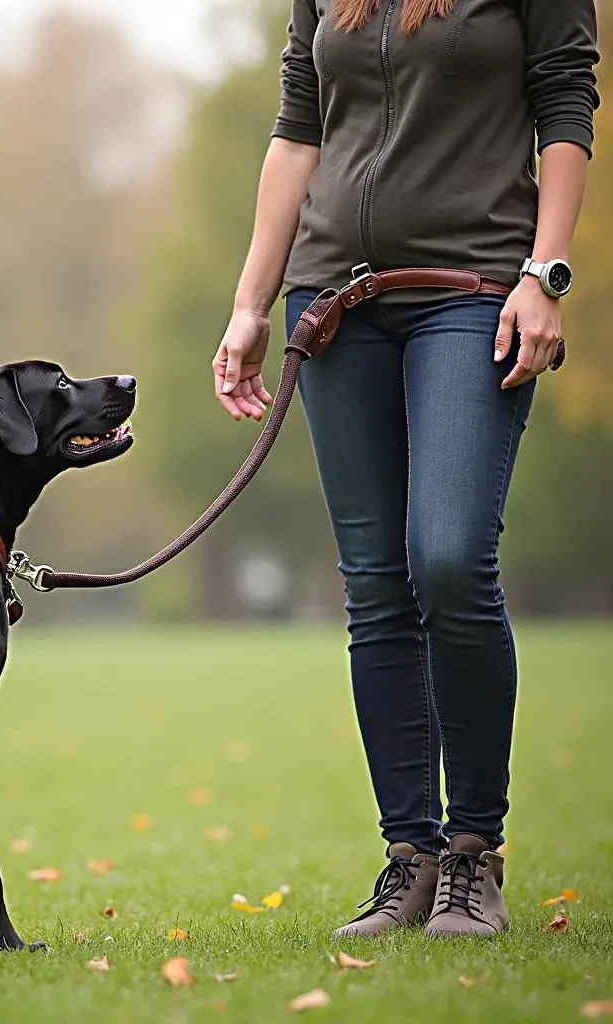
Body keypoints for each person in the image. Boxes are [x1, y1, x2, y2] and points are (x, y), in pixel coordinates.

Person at [212, 0, 599, 938]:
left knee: (452, 558)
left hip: (472, 292)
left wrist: (544, 274)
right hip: (337, 300)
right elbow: (298, 130)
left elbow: (566, 110)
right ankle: (411, 861)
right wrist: (251, 302)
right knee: (377, 585)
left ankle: (474, 856)